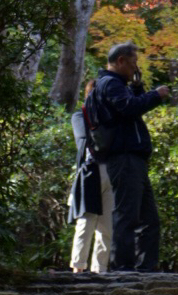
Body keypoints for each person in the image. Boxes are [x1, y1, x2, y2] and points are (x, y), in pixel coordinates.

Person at [89, 41, 171, 272]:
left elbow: (128, 109)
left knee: (148, 218)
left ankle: (146, 267)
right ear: (121, 61)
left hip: (132, 158)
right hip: (123, 157)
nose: (135, 68)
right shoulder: (109, 83)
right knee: (127, 214)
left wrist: (137, 87)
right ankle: (122, 268)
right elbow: (128, 108)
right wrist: (155, 95)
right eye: (133, 63)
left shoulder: (116, 85)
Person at [67, 80, 113, 272]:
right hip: (91, 171)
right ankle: (78, 268)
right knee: (86, 221)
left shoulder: (113, 117)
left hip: (112, 170)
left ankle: (99, 270)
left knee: (107, 226)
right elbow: (84, 141)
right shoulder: (81, 116)